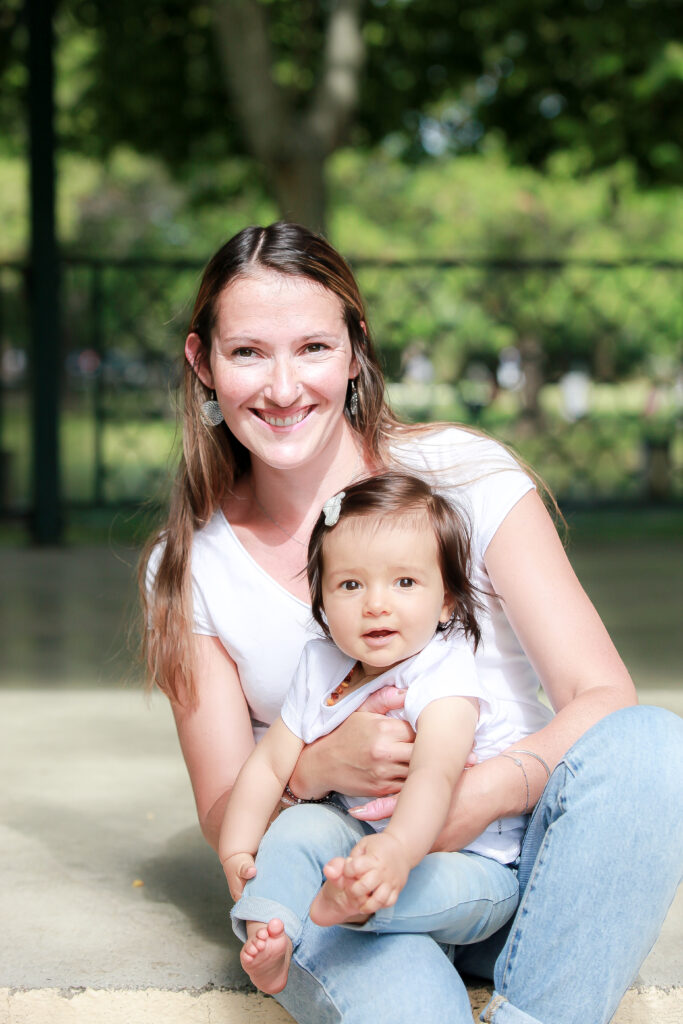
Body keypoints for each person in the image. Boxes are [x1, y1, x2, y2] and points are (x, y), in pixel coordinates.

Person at [140, 221, 682, 1024]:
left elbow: (600, 692)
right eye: (248, 352)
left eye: (313, 349)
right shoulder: (190, 566)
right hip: (344, 893)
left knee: (651, 746)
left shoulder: (465, 476)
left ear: (356, 350)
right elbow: (228, 812)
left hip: (512, 864)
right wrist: (318, 768)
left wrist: (469, 797)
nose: (283, 387)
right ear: (203, 365)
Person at [222, 471, 542, 994]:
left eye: (404, 582)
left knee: (424, 883)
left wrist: (396, 850)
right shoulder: (319, 665)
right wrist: (236, 849)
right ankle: (270, 936)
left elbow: (434, 776)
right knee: (293, 830)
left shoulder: (445, 672)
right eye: (351, 584)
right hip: (363, 846)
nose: (376, 603)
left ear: (446, 602)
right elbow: (269, 765)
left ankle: (353, 907)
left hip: (468, 865)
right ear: (322, 602)